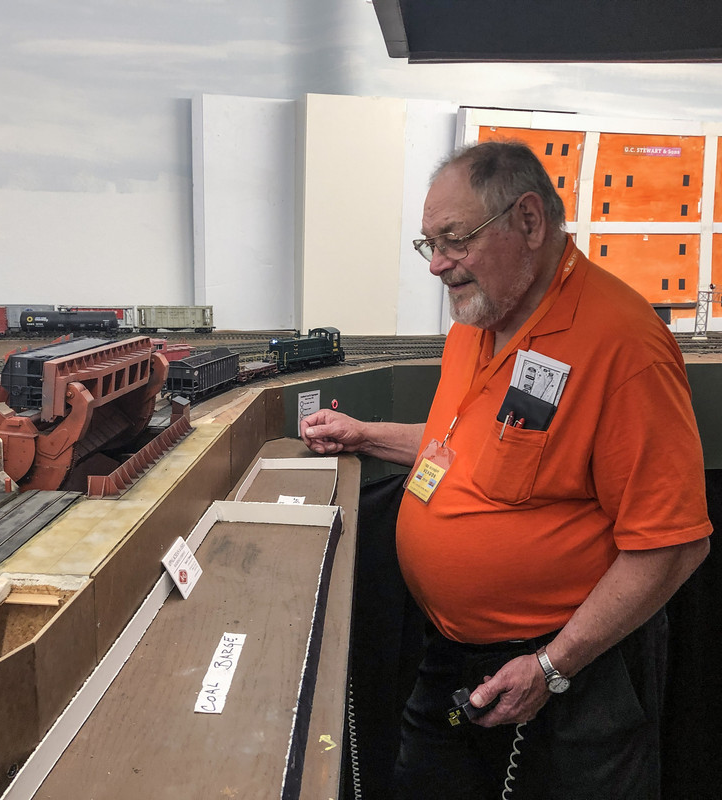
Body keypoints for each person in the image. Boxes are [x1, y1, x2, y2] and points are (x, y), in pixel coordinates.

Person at [300, 141, 712, 799]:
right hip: (457, 655)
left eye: (455, 240)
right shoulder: (481, 315)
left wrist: (551, 667)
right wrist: (369, 435)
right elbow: (470, 449)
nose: (437, 265)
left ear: (528, 221)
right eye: (427, 243)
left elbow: (674, 544)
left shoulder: (623, 346)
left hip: (573, 677)